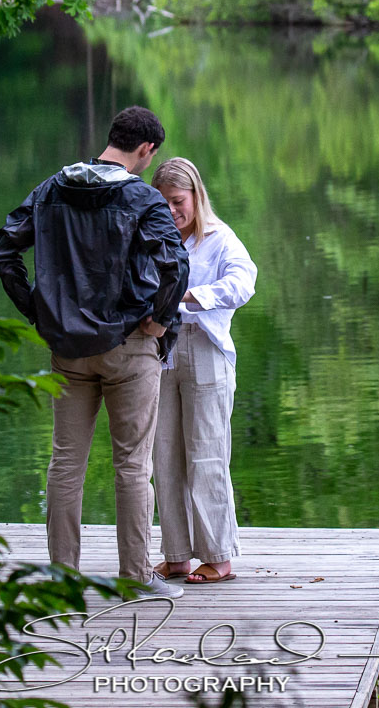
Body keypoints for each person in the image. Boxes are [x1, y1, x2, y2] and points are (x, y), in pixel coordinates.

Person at [0, 106, 189, 599]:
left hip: (68, 350)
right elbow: (175, 268)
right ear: (146, 150)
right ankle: (135, 577)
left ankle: (62, 577)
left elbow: (1, 254)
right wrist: (159, 320)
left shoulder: (51, 189)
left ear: (112, 138)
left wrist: (39, 312)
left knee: (65, 462)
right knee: (132, 466)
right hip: (129, 345)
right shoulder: (141, 196)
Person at [149, 157, 256, 585]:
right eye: (163, 204)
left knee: (207, 455)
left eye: (178, 202)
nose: (172, 211)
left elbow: (244, 282)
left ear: (196, 196)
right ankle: (176, 555)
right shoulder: (152, 240)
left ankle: (218, 556)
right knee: (164, 454)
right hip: (161, 352)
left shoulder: (220, 238)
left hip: (205, 348)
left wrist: (194, 296)